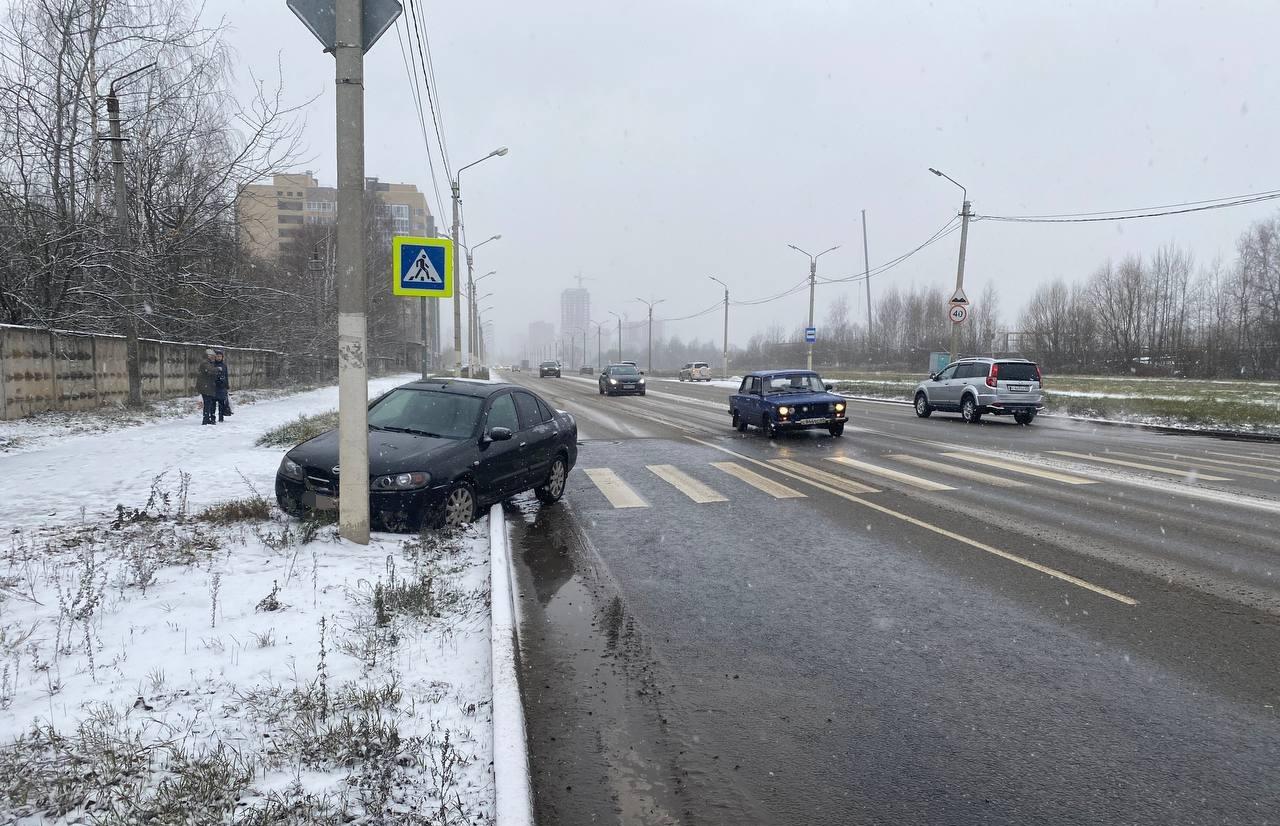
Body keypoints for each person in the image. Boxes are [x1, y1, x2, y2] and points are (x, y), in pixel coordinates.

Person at [196, 349, 220, 425]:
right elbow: (210, 370)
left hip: (207, 386)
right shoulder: (205, 363)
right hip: (205, 387)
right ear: (208, 356)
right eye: (212, 356)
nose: (213, 357)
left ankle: (207, 418)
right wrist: (218, 369)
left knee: (208, 403)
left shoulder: (208, 362)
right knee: (207, 403)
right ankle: (205, 420)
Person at [214, 349, 233, 422]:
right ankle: (213, 418)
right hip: (214, 387)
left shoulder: (224, 366)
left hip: (222, 387)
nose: (219, 358)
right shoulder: (213, 365)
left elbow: (226, 376)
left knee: (221, 403)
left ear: (222, 357)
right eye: (217, 356)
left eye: (220, 356)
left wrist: (227, 385)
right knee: (213, 404)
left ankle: (221, 417)